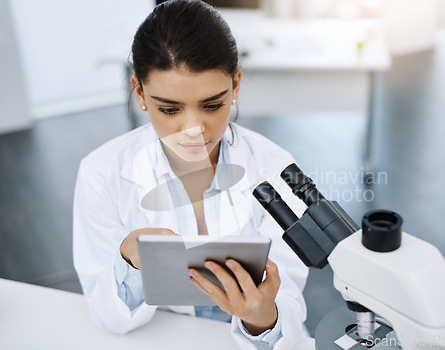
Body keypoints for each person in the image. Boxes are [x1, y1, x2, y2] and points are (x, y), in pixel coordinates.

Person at [73, 0, 309, 348]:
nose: (193, 130)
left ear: (236, 86)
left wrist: (262, 318)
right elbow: (109, 317)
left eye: (213, 105)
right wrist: (129, 264)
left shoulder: (275, 169)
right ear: (139, 92)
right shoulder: (101, 173)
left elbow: (288, 302)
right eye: (169, 109)